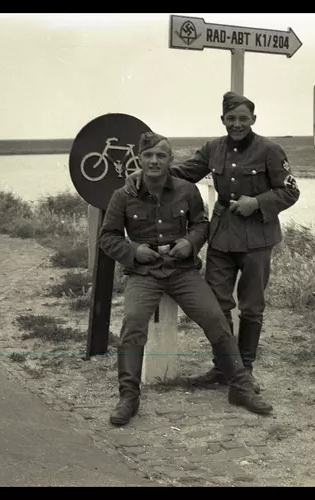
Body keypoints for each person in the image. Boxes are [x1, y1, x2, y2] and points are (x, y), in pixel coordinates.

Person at [124, 91, 301, 393]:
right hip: (221, 237)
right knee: (218, 306)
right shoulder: (213, 149)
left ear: (253, 120)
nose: (237, 124)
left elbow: (290, 192)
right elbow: (183, 173)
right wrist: (145, 175)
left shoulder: (270, 150)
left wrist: (257, 202)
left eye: (243, 119)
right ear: (222, 120)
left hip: (258, 238)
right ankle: (222, 369)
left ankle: (245, 370)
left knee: (252, 306)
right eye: (230, 119)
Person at [99, 131, 274, 427]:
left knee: (216, 319)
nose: (154, 161)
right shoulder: (123, 195)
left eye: (161, 155)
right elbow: (108, 237)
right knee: (133, 324)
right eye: (149, 156)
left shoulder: (186, 190)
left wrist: (191, 243)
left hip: (183, 271)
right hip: (145, 272)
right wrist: (133, 250)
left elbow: (201, 224)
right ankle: (129, 396)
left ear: (170, 159)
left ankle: (241, 388)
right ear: (139, 159)